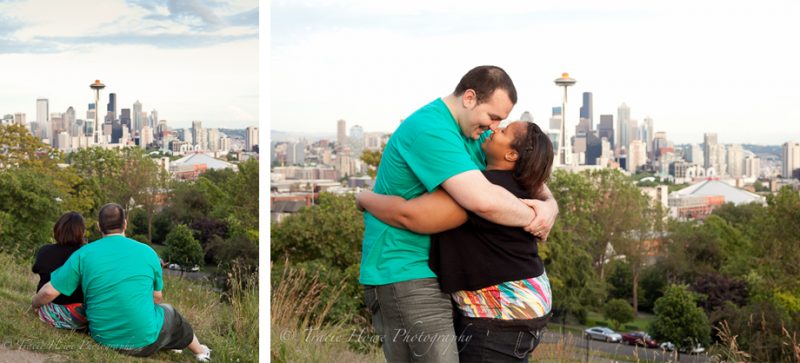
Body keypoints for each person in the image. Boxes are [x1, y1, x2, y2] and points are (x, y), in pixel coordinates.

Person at [358, 65, 559, 362]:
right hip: (405, 271)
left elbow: (528, 173)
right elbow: (479, 201)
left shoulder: (474, 134)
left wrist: (550, 206)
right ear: (469, 98)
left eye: (501, 123)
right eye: (493, 118)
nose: (493, 127)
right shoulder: (433, 131)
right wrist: (532, 217)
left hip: (439, 277)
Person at [31, 203, 211, 362]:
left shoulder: (83, 254)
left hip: (103, 337)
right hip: (142, 342)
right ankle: (201, 352)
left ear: (99, 226)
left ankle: (173, 343)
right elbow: (156, 298)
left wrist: (34, 303)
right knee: (171, 313)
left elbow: (48, 292)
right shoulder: (148, 253)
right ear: (125, 224)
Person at [31, 212, 88, 330]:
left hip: (48, 306)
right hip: (79, 312)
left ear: (57, 229)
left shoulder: (45, 250)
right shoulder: (85, 254)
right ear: (81, 232)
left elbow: (36, 269)